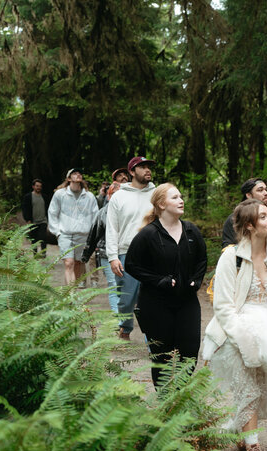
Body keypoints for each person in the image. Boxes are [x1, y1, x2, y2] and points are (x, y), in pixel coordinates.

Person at [203, 199, 267, 451]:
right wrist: (244, 340)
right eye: (263, 216)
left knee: (266, 391)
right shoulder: (231, 257)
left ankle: (244, 430)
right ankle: (253, 450)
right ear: (249, 225)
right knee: (248, 390)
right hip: (236, 331)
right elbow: (223, 306)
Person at [124, 183, 207, 389]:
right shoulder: (149, 234)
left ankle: (182, 398)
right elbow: (132, 265)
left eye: (181, 196)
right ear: (161, 204)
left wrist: (196, 281)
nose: (181, 200)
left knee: (189, 352)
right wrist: (157, 280)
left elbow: (201, 260)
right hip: (156, 304)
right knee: (162, 356)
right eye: (175, 197)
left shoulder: (191, 230)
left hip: (187, 302)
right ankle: (165, 402)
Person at [106, 157, 156, 340]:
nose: (147, 170)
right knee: (127, 299)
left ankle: (151, 337)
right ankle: (125, 327)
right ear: (132, 173)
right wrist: (112, 257)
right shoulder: (119, 196)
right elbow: (112, 228)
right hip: (127, 252)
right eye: (142, 167)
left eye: (149, 167)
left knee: (150, 299)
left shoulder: (157, 194)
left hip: (153, 253)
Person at [47, 168, 99, 285]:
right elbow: (52, 213)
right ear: (69, 178)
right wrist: (57, 232)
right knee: (68, 263)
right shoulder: (60, 194)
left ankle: (70, 293)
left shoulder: (89, 196)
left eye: (80, 173)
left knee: (78, 264)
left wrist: (92, 235)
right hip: (65, 234)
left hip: (83, 235)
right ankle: (71, 296)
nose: (78, 175)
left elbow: (95, 216)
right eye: (74, 173)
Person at [82, 182, 122, 312]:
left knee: (128, 286)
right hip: (107, 253)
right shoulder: (102, 213)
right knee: (113, 284)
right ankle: (118, 317)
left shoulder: (132, 211)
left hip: (128, 252)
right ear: (109, 196)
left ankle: (125, 313)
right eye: (114, 194)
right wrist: (86, 255)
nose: (118, 197)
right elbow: (93, 235)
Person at [221, 178, 267, 247]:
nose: (266, 193)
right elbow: (228, 247)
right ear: (249, 195)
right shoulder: (234, 219)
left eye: (266, 190)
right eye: (260, 190)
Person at [21, 179, 48, 255]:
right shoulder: (28, 197)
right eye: (37, 186)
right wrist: (28, 219)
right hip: (33, 221)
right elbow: (25, 208)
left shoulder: (44, 197)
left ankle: (43, 253)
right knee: (34, 239)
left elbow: (48, 208)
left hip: (43, 221)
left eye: (40, 186)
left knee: (43, 237)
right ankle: (35, 253)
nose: (38, 188)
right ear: (33, 186)